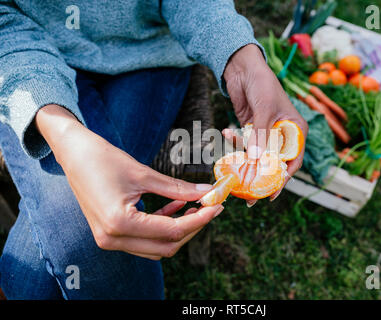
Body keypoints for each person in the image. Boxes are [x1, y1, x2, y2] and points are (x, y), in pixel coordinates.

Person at [0, 0, 308, 299]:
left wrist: (241, 58)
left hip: (148, 60)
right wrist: (64, 133)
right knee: (76, 230)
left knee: (36, 279)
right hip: (26, 63)